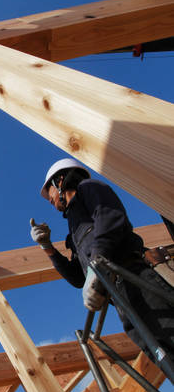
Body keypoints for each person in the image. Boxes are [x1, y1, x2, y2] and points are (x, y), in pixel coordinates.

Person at [30, 158, 174, 376]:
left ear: (60, 181)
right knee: (165, 358)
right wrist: (47, 247)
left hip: (136, 279)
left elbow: (111, 219)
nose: (48, 199)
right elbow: (79, 278)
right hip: (121, 299)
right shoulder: (75, 230)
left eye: (48, 190)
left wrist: (96, 265)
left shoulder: (89, 188)